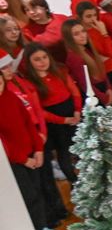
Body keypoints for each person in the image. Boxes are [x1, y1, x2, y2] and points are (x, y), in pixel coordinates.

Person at [0, 53, 66, 230]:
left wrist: (38, 149)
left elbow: (29, 123)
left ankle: (42, 228)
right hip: (15, 162)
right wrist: (23, 159)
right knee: (27, 196)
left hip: (32, 153)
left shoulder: (11, 97)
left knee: (37, 192)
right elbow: (4, 143)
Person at [19, 43, 81, 183]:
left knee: (82, 146)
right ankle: (75, 183)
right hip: (55, 121)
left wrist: (77, 111)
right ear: (29, 62)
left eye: (44, 57)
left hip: (73, 113)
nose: (42, 62)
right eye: (37, 59)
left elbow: (74, 91)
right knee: (64, 152)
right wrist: (63, 120)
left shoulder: (59, 71)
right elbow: (39, 111)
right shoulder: (29, 83)